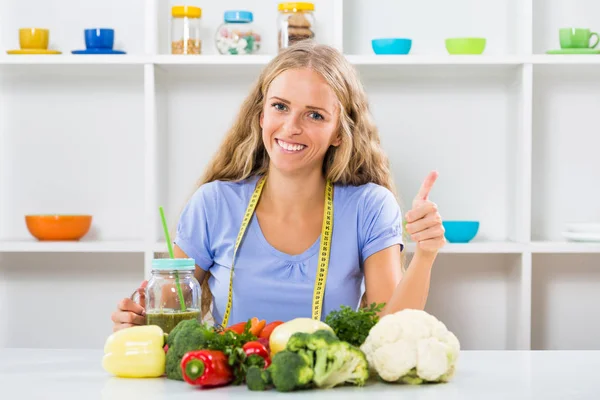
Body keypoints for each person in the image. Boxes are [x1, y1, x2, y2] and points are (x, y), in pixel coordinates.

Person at [111, 40, 445, 332]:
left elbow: (389, 330)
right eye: (280, 106)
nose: (290, 127)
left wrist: (426, 255)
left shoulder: (369, 207)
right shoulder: (213, 203)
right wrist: (137, 322)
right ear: (260, 115)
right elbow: (166, 319)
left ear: (340, 133)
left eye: (314, 115)